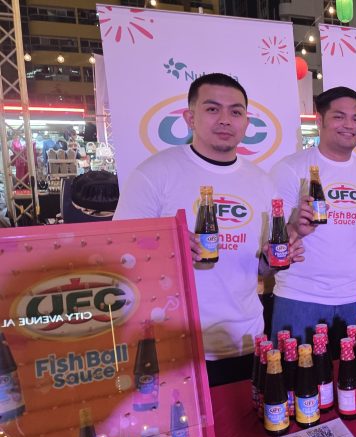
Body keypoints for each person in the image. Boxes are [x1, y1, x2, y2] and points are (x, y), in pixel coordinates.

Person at [114, 73, 302, 386]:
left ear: (246, 122)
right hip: (175, 344)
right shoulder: (155, 174)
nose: (225, 119)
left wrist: (275, 259)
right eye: (213, 109)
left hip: (246, 340)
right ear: (190, 118)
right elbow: (118, 252)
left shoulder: (262, 183)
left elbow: (259, 267)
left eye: (235, 112)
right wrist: (167, 249)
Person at [270, 86, 356, 345]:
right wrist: (296, 227)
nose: (349, 125)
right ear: (319, 120)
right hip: (299, 297)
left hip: (353, 298)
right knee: (294, 371)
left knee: (348, 371)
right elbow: (273, 238)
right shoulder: (290, 169)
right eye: (339, 116)